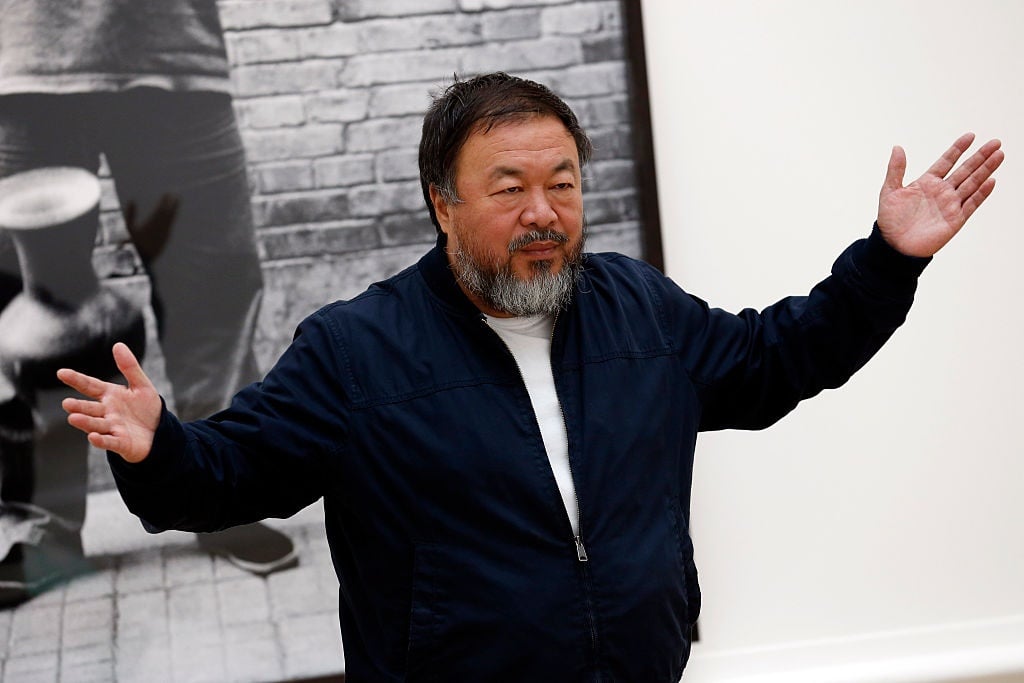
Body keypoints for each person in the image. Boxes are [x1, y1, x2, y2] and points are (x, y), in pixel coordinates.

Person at [57, 73, 1002, 681]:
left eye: (564, 183)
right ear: (443, 201)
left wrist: (887, 258)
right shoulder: (358, 349)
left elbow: (776, 360)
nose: (543, 211)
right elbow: (231, 473)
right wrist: (158, 445)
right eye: (509, 188)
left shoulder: (638, 306)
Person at [0, 0, 296, 606]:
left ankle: (222, 498)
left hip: (172, 49)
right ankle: (40, 526)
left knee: (214, 286)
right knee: (33, 310)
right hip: (22, 58)